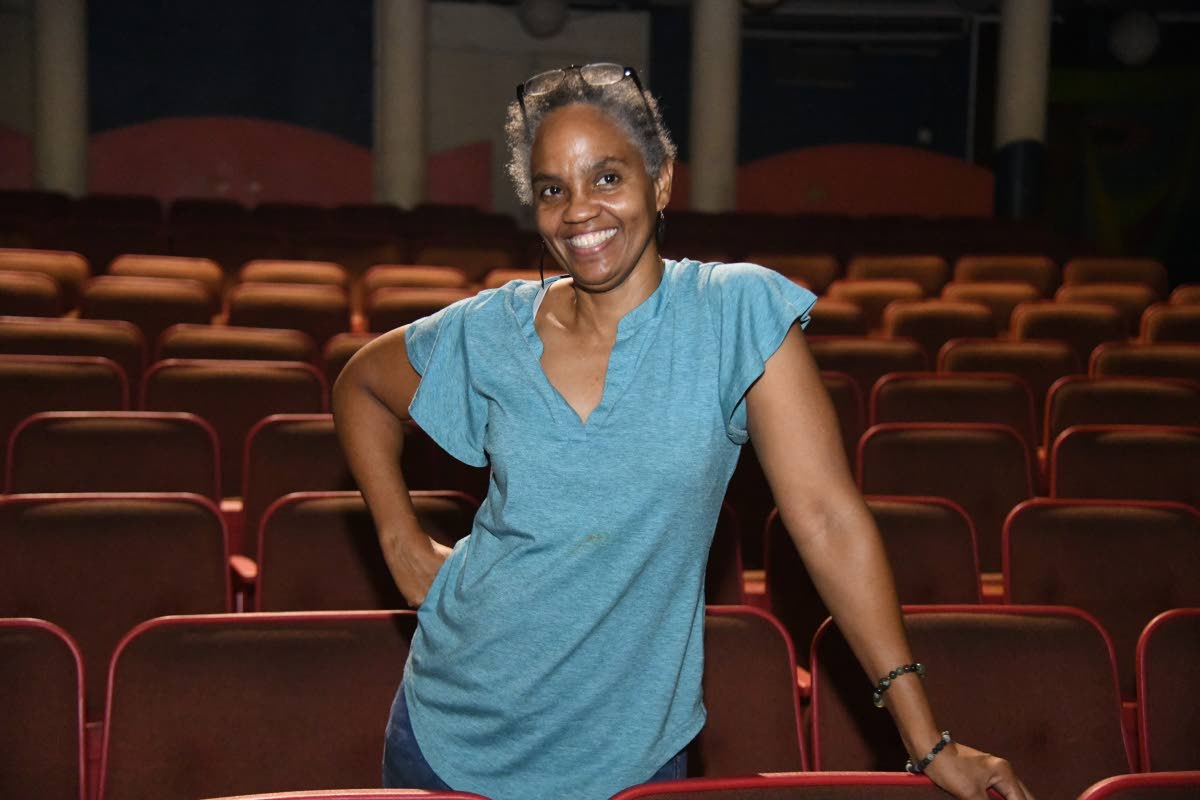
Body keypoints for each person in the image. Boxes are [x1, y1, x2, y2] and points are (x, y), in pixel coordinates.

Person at [333, 63, 1035, 800]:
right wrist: (402, 545)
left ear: (662, 181)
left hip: (628, 758)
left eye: (607, 178)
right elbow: (361, 387)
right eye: (552, 189)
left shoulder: (736, 315)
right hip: (448, 736)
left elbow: (828, 521)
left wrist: (929, 742)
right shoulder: (491, 331)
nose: (579, 212)